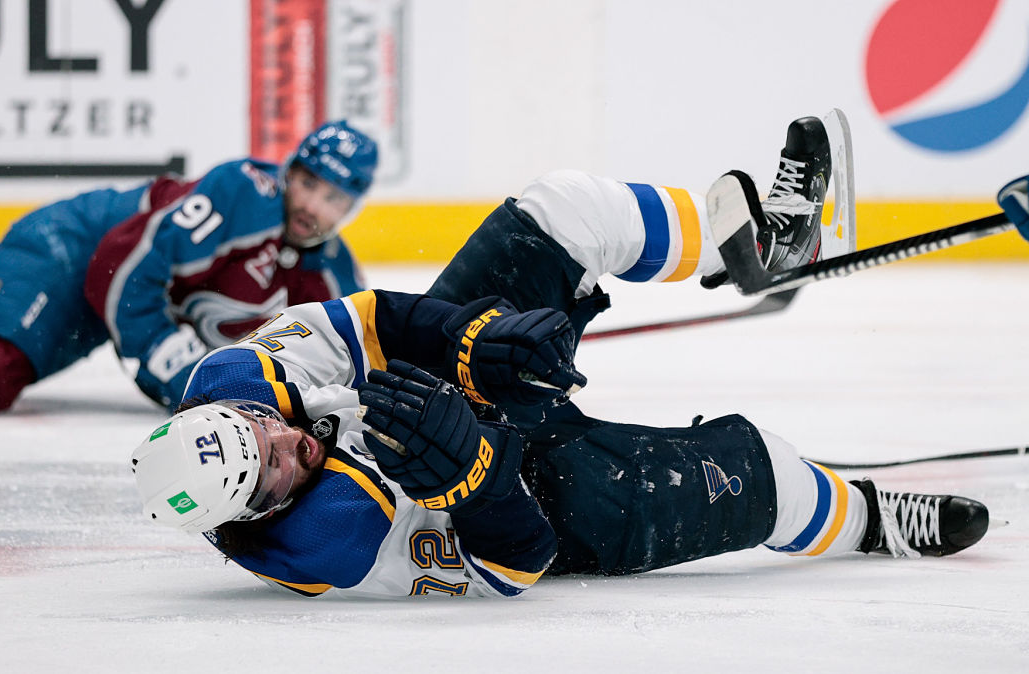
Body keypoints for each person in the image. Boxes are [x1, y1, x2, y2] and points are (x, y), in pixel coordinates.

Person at [127, 116, 991, 598]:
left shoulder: (234, 377)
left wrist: (470, 342)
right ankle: (872, 518)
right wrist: (469, 471)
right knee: (756, 471)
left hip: (451, 386)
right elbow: (513, 561)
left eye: (261, 431)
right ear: (250, 516)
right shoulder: (330, 545)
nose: (291, 445)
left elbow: (371, 319)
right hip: (526, 487)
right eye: (274, 473)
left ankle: (760, 242)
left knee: (560, 209)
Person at [0, 120, 378, 413]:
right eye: (308, 184)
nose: (312, 206)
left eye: (333, 198)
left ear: (351, 206)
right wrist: (169, 362)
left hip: (104, 298)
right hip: (70, 249)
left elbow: (354, 355)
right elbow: (120, 265)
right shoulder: (245, 194)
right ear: (290, 172)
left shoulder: (331, 271)